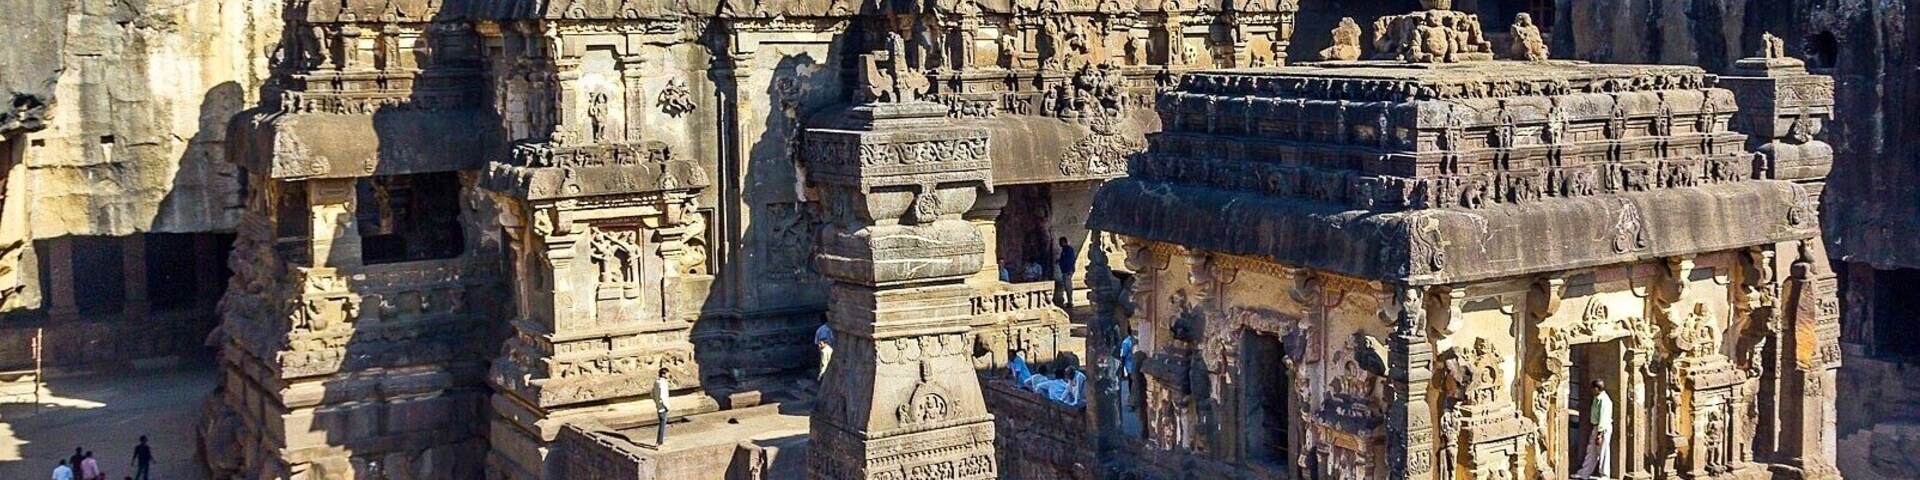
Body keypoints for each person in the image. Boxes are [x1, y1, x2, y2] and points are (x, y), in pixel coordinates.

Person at [1576, 380, 1613, 479]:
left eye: (1592, 389)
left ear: (1596, 389)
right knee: (1591, 451)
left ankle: (1605, 475)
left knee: (1603, 452)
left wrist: (1600, 434)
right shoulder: (1597, 398)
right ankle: (1584, 473)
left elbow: (1603, 418)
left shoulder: (1604, 401)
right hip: (1596, 427)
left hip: (1602, 428)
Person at [1055, 237, 1076, 307]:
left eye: (1060, 242)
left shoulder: (1068, 250)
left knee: (1068, 286)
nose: (1059, 244)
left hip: (1067, 271)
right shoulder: (1065, 250)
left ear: (1063, 242)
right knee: (1066, 286)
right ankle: (1069, 301)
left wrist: (1070, 269)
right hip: (1065, 270)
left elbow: (1070, 260)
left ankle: (1070, 301)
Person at [655, 368, 672, 445]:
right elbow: (662, 396)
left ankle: (659, 441)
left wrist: (657, 402)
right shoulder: (663, 383)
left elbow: (652, 394)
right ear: (663, 374)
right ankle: (660, 442)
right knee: (663, 425)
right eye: (667, 373)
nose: (669, 375)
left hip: (659, 406)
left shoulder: (656, 382)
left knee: (662, 424)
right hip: (663, 407)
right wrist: (666, 406)